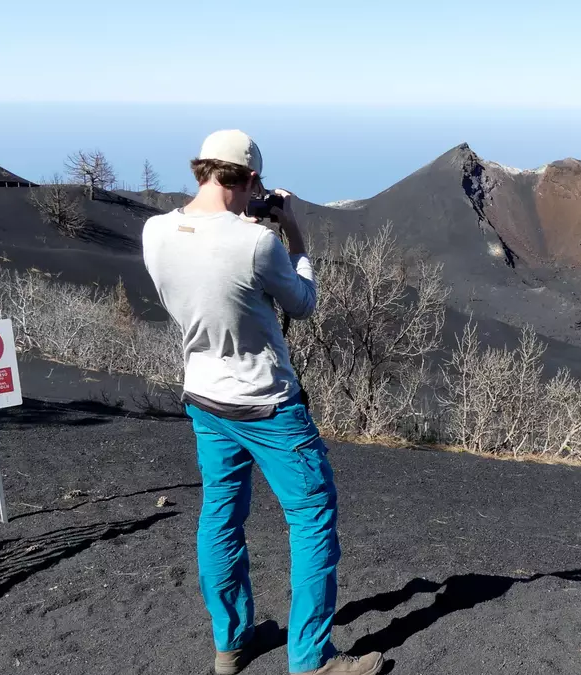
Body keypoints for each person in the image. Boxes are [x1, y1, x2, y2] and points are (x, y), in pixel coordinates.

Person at [142, 130, 383, 675]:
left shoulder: (155, 231)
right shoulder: (257, 243)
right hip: (267, 403)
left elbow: (202, 283)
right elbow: (303, 303)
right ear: (250, 180)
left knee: (222, 515)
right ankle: (311, 659)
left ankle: (231, 643)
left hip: (204, 396)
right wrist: (292, 233)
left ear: (200, 170)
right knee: (312, 517)